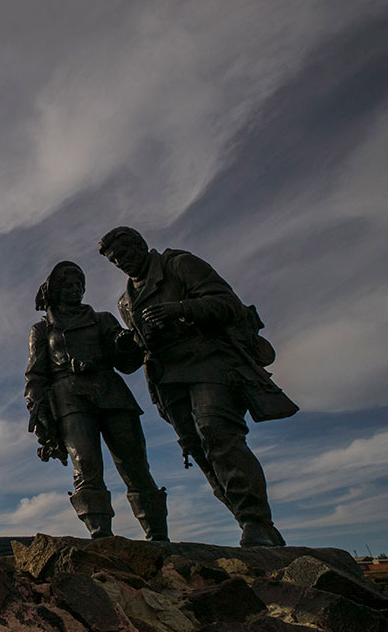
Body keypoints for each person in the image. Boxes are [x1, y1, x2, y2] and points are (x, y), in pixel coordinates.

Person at [98, 226, 290, 547]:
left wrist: (181, 309)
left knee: (216, 432)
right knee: (199, 450)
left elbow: (227, 304)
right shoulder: (125, 302)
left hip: (210, 364)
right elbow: (135, 356)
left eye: (125, 254)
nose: (123, 263)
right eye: (116, 261)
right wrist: (127, 342)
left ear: (141, 245)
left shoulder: (179, 265)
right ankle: (248, 522)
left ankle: (257, 520)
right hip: (167, 382)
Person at [25, 261, 168, 540]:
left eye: (79, 285)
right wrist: (38, 410)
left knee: (134, 464)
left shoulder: (102, 319)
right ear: (54, 290)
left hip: (111, 393)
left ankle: (158, 536)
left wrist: (126, 343)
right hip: (69, 398)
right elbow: (35, 374)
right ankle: (101, 535)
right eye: (68, 285)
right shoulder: (42, 330)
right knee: (86, 466)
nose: (75, 290)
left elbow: (125, 362)